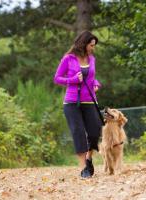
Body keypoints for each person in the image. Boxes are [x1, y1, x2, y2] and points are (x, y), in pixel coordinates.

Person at [53, 31, 102, 178]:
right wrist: (72, 79)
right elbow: (57, 78)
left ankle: (88, 159)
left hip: (89, 100)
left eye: (94, 45)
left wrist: (97, 84)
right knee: (78, 132)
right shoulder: (68, 59)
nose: (93, 48)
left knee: (94, 132)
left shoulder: (91, 59)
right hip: (72, 102)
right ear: (84, 44)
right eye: (91, 45)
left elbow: (92, 77)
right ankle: (83, 169)